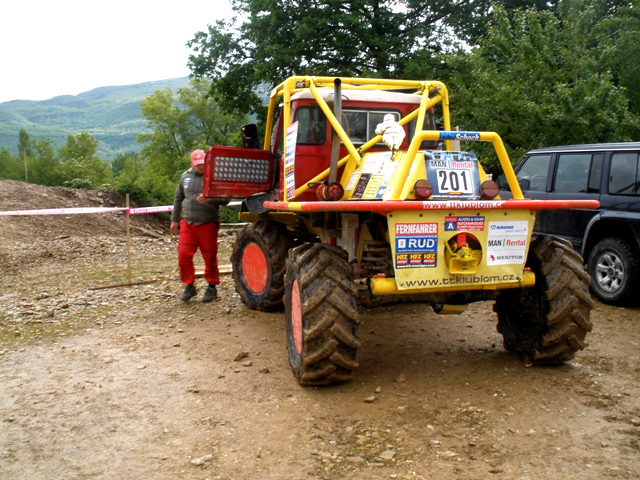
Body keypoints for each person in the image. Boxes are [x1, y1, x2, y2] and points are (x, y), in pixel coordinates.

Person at [171, 149, 228, 302]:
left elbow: (226, 199)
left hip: (208, 222)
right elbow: (178, 198)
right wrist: (174, 220)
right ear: (191, 163)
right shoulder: (185, 177)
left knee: (209, 257)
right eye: (197, 164)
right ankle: (189, 285)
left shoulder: (215, 176)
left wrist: (210, 199)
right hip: (188, 222)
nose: (200, 167)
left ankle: (211, 286)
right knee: (183, 254)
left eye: (202, 164)